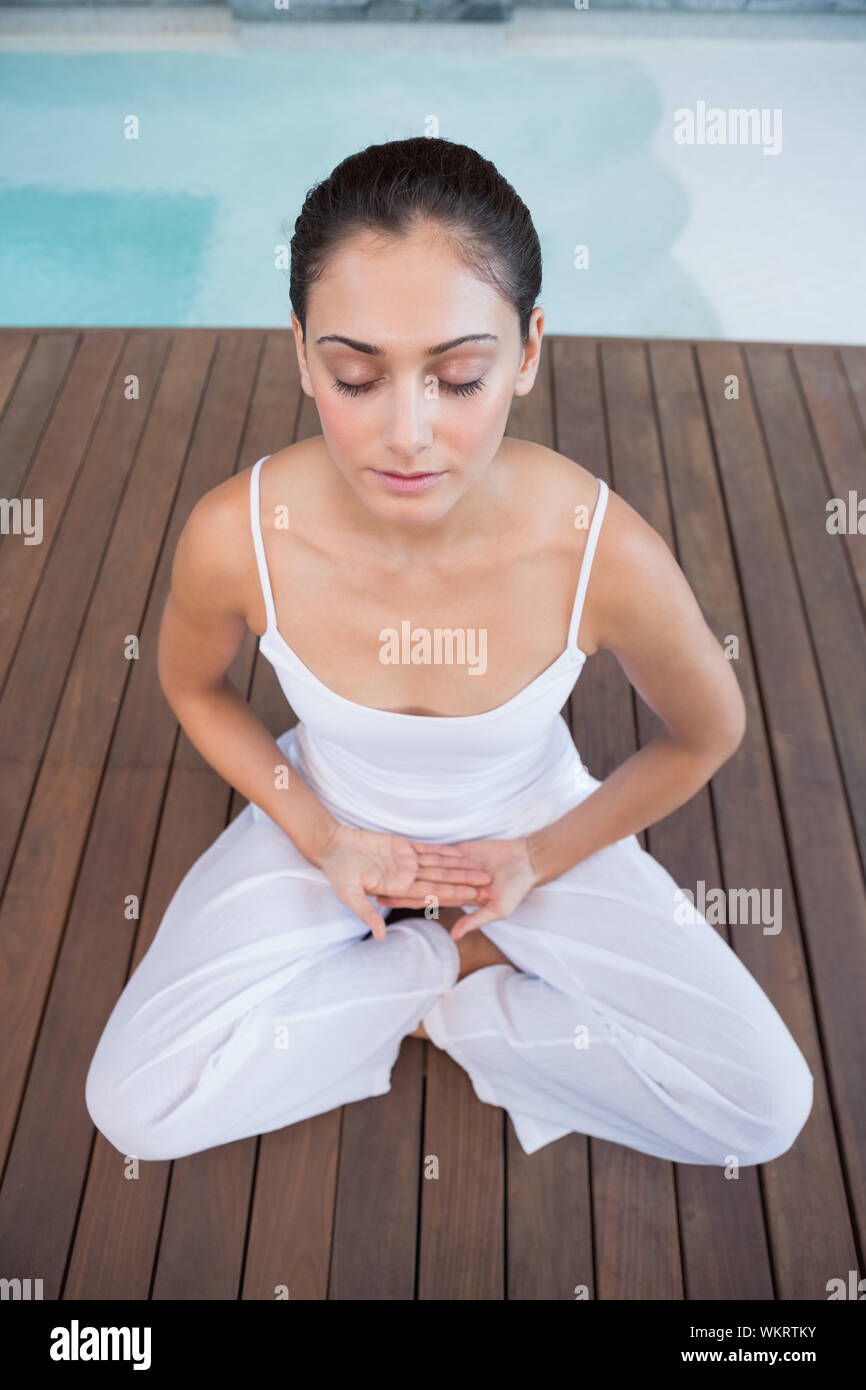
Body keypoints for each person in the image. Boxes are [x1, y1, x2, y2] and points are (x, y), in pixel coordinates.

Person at [85, 136, 813, 1166]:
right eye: (354, 374)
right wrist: (321, 834)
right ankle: (423, 972)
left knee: (763, 1105)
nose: (407, 433)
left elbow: (706, 733)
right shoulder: (235, 531)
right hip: (328, 810)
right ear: (299, 351)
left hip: (525, 823)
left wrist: (536, 859)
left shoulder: (602, 552)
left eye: (458, 376)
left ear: (526, 353)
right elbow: (192, 687)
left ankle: (462, 1000)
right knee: (132, 1103)